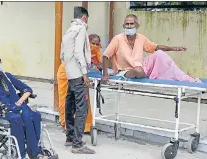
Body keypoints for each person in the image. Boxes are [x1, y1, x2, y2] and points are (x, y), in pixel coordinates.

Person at [0, 52, 46, 159]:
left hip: (16, 106)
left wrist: (20, 101)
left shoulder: (7, 76)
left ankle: (35, 152)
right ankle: (22, 154)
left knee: (35, 116)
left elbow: (27, 89)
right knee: (17, 118)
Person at [102, 14, 201, 83]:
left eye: (131, 24)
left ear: (137, 25)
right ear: (124, 26)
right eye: (127, 24)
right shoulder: (117, 39)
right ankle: (147, 75)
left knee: (160, 54)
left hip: (141, 67)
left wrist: (173, 48)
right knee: (138, 71)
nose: (129, 26)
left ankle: (184, 77)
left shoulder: (141, 38)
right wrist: (105, 75)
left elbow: (156, 47)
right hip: (124, 71)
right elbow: (105, 56)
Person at [60, 6, 95, 154]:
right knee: (82, 108)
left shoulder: (69, 31)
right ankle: (77, 144)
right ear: (84, 18)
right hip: (78, 74)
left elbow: (62, 54)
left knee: (70, 105)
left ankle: (70, 137)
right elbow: (79, 52)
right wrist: (85, 74)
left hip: (70, 72)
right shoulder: (81, 30)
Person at [57, 34, 102, 134]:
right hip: (66, 73)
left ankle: (86, 126)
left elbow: (97, 64)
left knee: (84, 100)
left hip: (82, 76)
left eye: (97, 44)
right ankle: (66, 125)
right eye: (92, 43)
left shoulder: (96, 52)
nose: (94, 46)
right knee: (66, 99)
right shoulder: (81, 49)